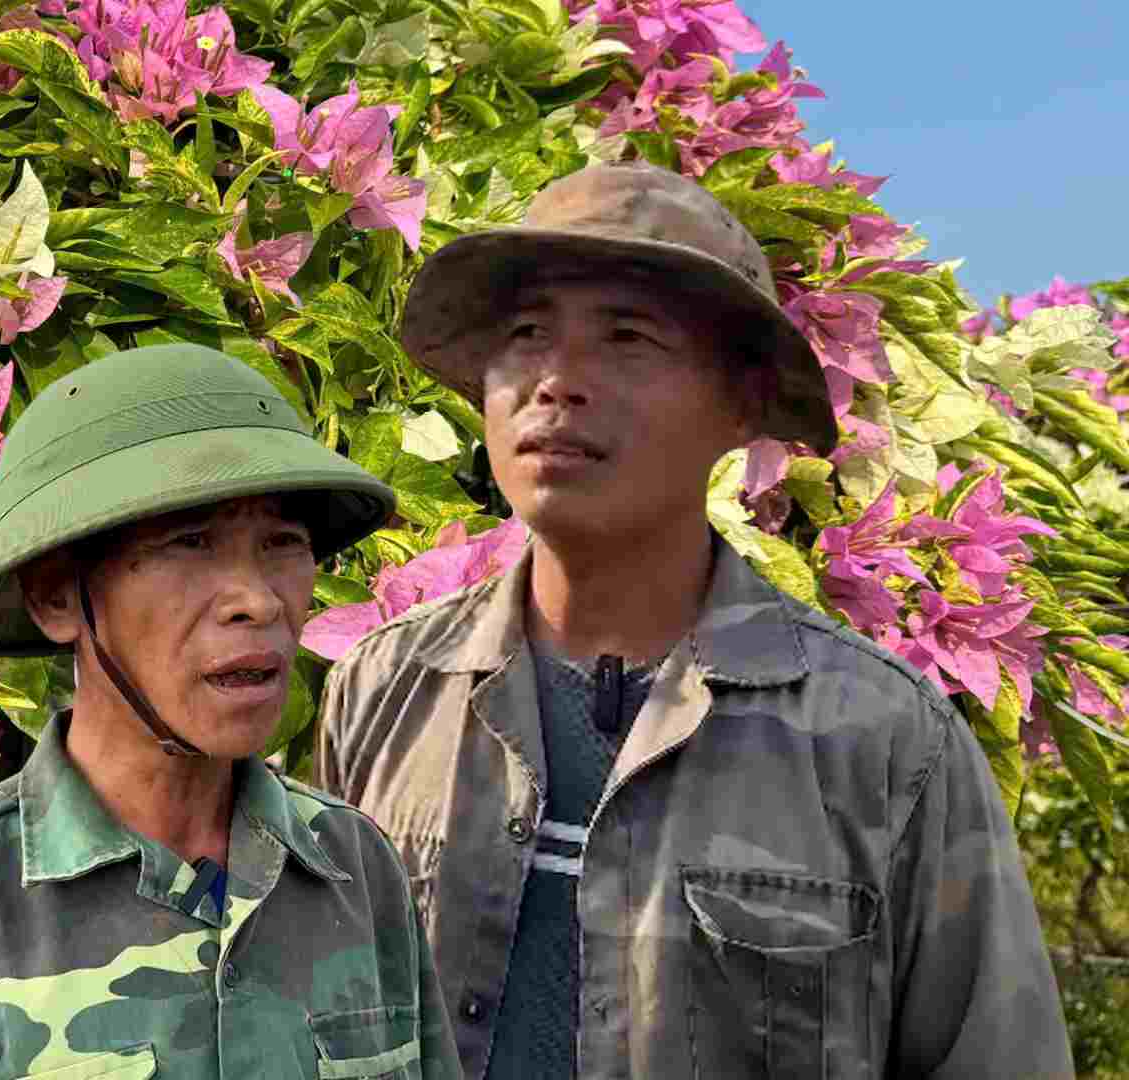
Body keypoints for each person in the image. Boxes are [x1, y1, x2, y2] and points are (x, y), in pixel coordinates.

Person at [316, 162, 1073, 1078]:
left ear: (743, 404)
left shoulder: (884, 743)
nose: (558, 381)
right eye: (525, 335)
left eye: (629, 338)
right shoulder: (385, 689)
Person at [0, 344, 466, 1079]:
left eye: (283, 543)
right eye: (188, 544)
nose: (257, 599)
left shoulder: (355, 868)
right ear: (58, 596)